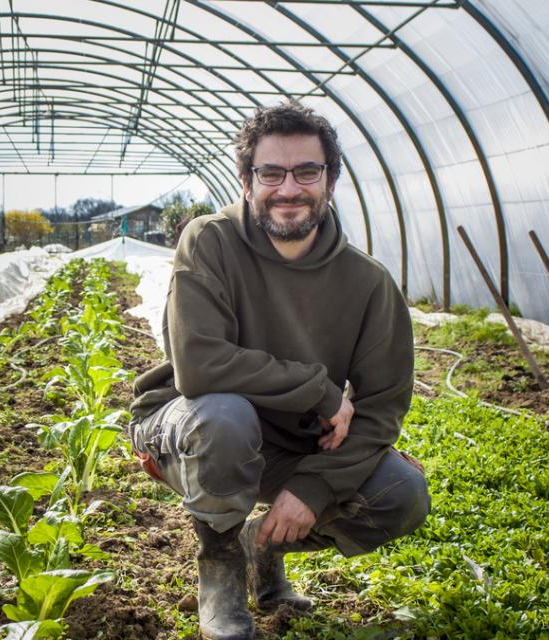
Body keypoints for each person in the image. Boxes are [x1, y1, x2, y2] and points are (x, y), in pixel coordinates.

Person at [128, 101, 431, 640]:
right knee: (225, 417)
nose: (288, 188)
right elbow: (198, 367)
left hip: (290, 444)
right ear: (247, 181)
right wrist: (320, 390)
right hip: (188, 424)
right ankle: (220, 568)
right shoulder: (210, 240)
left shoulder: (368, 283)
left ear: (330, 181)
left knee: (400, 494)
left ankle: (257, 543)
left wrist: (313, 489)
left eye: (307, 172)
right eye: (271, 172)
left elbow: (382, 407)